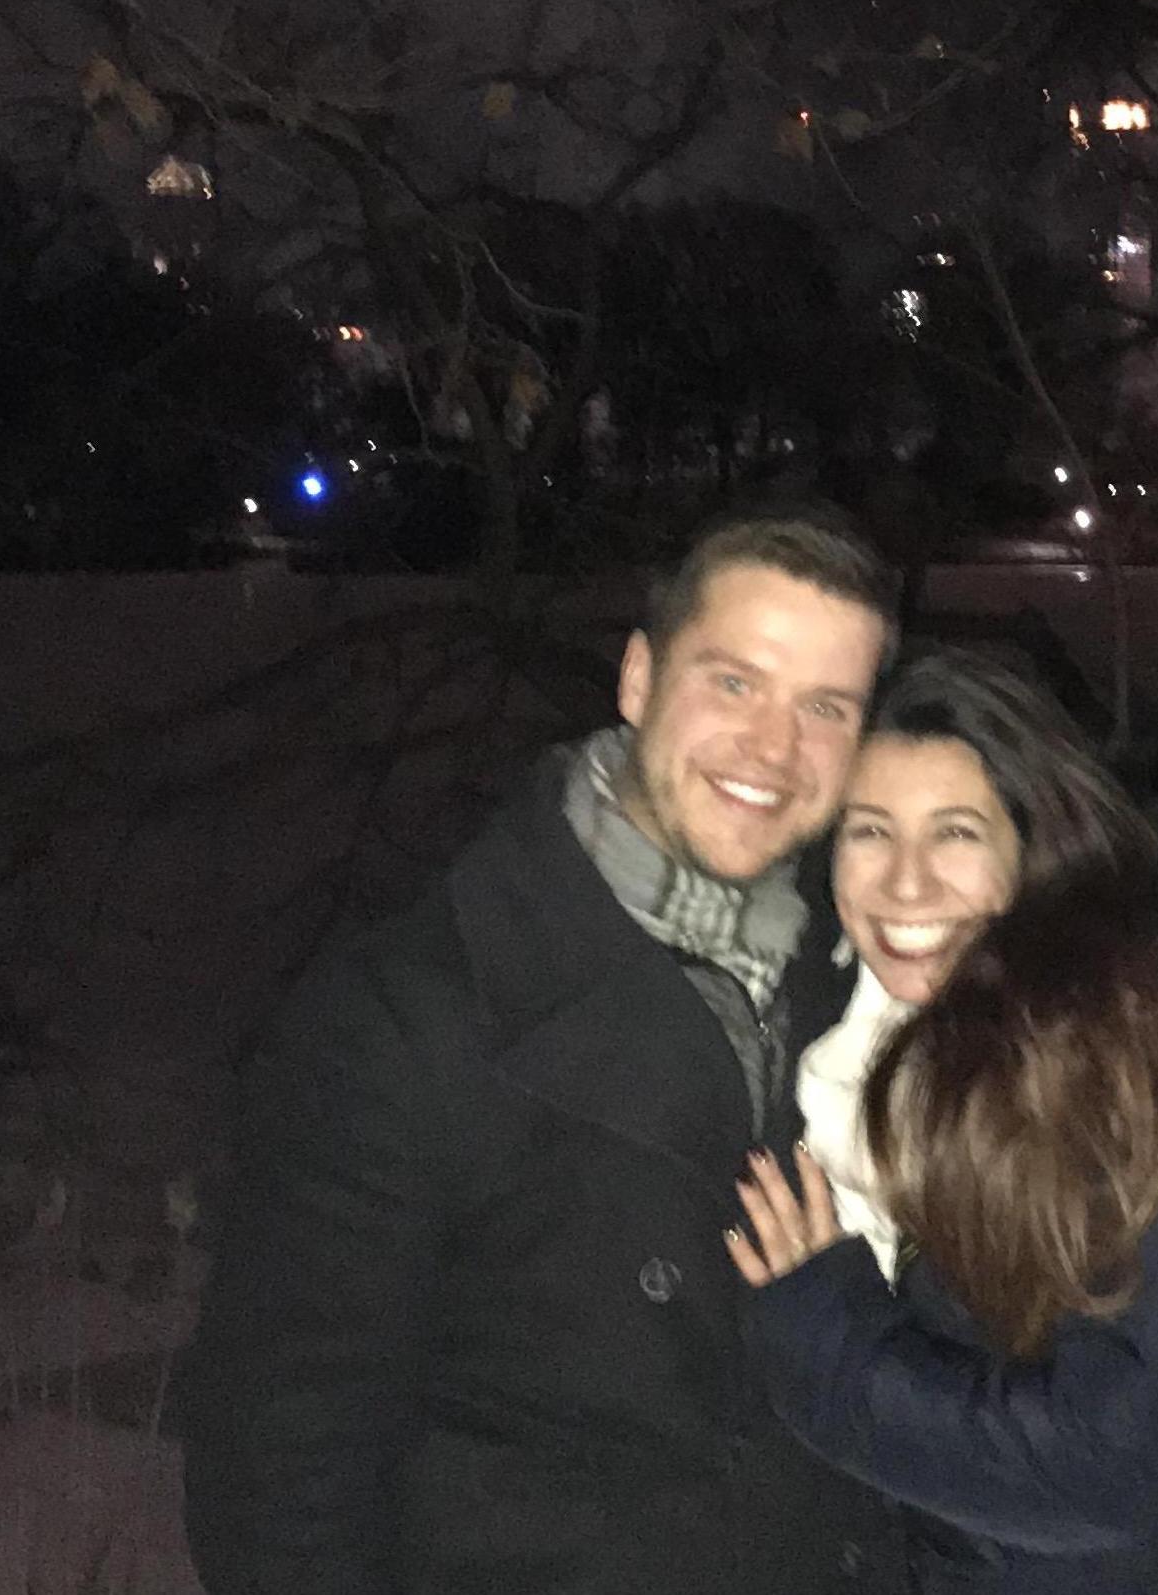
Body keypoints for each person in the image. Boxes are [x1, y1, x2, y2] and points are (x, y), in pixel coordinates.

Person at [181, 512, 911, 1595]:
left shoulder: (858, 987)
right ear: (638, 679)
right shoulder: (412, 1012)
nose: (774, 746)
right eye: (734, 682)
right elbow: (278, 1473)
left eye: (824, 707)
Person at [727, 647, 1158, 1594]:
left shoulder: (1128, 1062)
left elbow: (1123, 1458)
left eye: (955, 833)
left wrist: (826, 1338)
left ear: (1033, 850)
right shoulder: (835, 1049)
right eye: (870, 830)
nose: (905, 882)